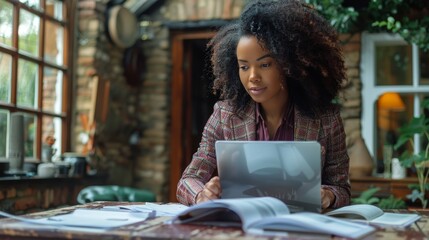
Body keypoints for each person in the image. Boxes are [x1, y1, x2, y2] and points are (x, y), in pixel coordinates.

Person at [176, 0, 351, 209]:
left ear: (288, 64)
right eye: (243, 66)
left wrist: (328, 195)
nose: (253, 77)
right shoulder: (225, 116)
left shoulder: (326, 120)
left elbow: (342, 188)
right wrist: (201, 195)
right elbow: (188, 180)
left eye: (265, 64)